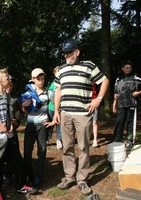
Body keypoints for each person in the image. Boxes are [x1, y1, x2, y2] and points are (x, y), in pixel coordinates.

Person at [53, 41, 109, 195]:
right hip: (65, 113)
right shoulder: (62, 69)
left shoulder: (89, 66)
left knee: (84, 147)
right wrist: (56, 111)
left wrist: (98, 99)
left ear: (77, 52)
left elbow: (104, 81)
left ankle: (82, 179)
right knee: (67, 147)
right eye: (64, 53)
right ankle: (69, 177)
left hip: (83, 115)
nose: (66, 55)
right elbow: (58, 91)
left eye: (69, 52)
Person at [0, 69, 36, 200]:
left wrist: (11, 123)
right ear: (1, 82)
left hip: (9, 134)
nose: (9, 81)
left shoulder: (6, 95)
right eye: (7, 79)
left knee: (16, 159)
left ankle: (21, 185)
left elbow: (6, 112)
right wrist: (0, 125)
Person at [21, 68, 54, 189]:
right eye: (38, 79)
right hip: (30, 125)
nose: (41, 81)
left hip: (43, 125)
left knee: (42, 151)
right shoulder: (28, 93)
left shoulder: (48, 93)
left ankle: (38, 176)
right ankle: (29, 175)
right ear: (33, 79)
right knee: (27, 151)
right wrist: (23, 106)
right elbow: (24, 111)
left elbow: (57, 103)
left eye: (42, 79)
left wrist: (54, 120)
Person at [112, 60, 141, 149]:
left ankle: (130, 141)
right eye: (126, 68)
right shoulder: (118, 79)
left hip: (132, 104)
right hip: (121, 104)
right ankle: (118, 140)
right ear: (122, 69)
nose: (129, 69)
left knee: (130, 122)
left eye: (130, 68)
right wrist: (114, 105)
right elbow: (115, 94)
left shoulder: (136, 78)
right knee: (119, 122)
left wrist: (139, 92)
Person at [47, 66, 63, 149]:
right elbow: (49, 94)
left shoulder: (64, 83)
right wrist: (55, 101)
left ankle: (59, 140)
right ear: (54, 74)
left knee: (59, 124)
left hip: (61, 109)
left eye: (59, 71)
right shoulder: (52, 84)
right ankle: (47, 138)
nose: (58, 73)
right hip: (51, 108)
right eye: (56, 71)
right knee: (50, 124)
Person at [92, 82, 99, 148]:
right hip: (85, 102)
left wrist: (98, 99)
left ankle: (95, 140)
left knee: (94, 122)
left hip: (94, 101)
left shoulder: (96, 81)